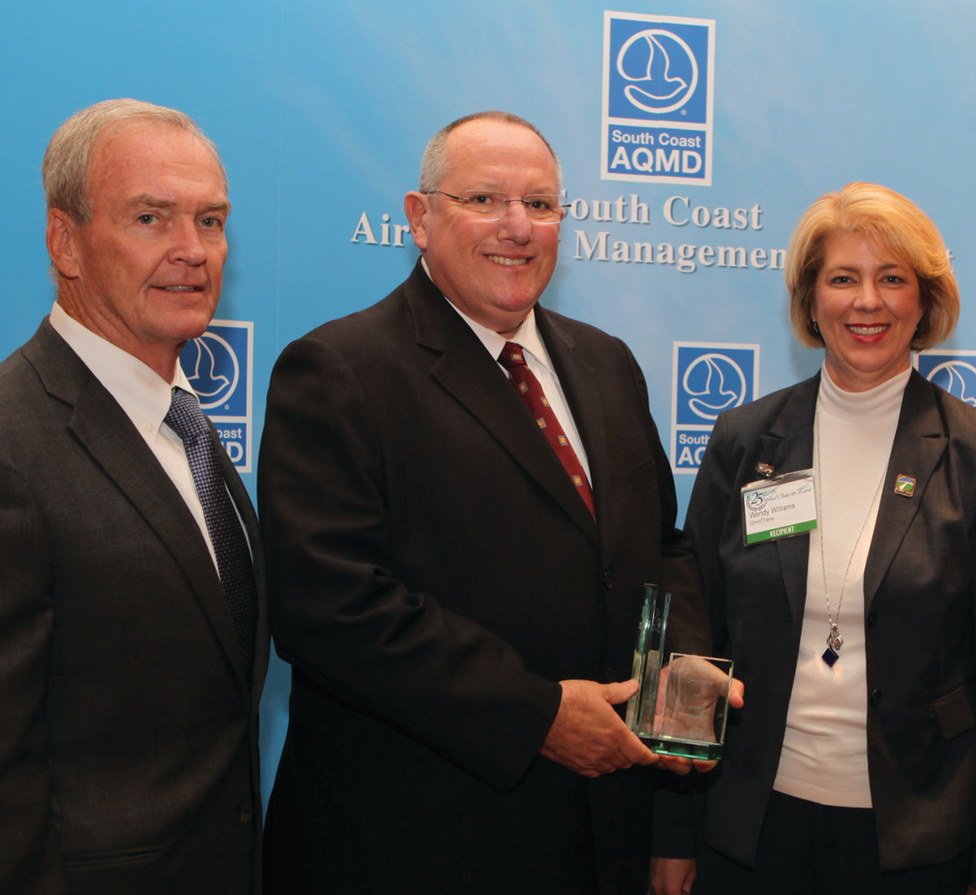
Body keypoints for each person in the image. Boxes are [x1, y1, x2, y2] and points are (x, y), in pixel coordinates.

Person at [259, 111, 734, 895]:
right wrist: (537, 714)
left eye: (541, 204)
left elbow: (661, 544)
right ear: (419, 217)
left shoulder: (607, 362)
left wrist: (680, 681)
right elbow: (329, 605)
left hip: (600, 834)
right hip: (423, 842)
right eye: (484, 198)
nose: (517, 226)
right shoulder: (339, 369)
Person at [650, 182, 976, 895]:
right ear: (811, 300)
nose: (868, 301)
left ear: (925, 299)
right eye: (843, 278)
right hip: (751, 824)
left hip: (918, 835)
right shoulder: (744, 438)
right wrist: (672, 830)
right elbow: (695, 638)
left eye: (892, 278)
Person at [0, 99, 268, 894]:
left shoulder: (185, 421)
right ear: (64, 243)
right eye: (151, 218)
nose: (193, 251)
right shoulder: (13, 440)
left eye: (212, 220)